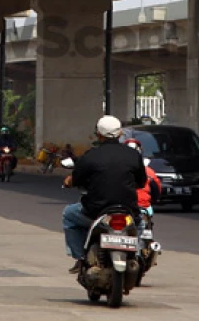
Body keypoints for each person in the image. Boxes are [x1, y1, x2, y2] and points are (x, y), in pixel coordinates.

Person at [61, 115, 147, 274]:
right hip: (128, 210)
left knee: (68, 215)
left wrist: (68, 182)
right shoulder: (133, 155)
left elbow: (76, 179)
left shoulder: (90, 156)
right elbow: (141, 182)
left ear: (99, 135)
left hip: (95, 211)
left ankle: (80, 258)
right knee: (140, 224)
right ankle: (136, 255)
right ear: (120, 133)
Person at [124, 139, 162, 217]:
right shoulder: (148, 171)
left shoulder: (118, 171)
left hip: (124, 207)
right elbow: (156, 191)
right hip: (142, 207)